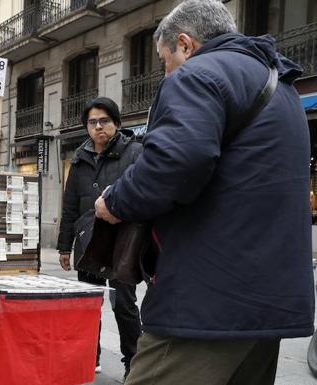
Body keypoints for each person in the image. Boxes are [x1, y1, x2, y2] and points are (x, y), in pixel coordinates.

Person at [94, 1, 315, 384]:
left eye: (165, 60)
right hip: (267, 302)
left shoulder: (199, 74)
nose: (166, 71)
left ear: (186, 44)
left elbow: (174, 163)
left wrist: (115, 201)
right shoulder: (282, 88)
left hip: (207, 300)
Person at [58, 97, 142, 379]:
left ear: (116, 123)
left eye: (104, 121)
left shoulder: (134, 152)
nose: (98, 127)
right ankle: (88, 356)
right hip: (88, 243)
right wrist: (63, 246)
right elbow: (69, 205)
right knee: (90, 303)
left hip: (122, 243)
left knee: (125, 304)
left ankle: (133, 359)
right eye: (92, 122)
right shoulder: (79, 159)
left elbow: (143, 194)